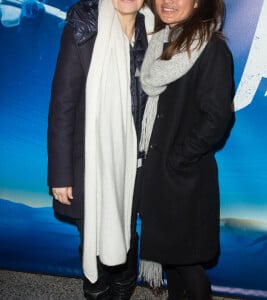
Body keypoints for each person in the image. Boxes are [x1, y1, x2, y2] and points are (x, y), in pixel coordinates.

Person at [47, 0, 153, 299]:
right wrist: (60, 174)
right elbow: (62, 106)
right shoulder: (84, 30)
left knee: (128, 235)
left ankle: (122, 291)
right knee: (92, 238)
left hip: (137, 165)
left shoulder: (156, 33)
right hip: (89, 164)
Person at [137, 0, 234, 298]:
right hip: (160, 174)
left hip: (185, 178)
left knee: (188, 266)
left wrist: (177, 159)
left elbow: (217, 118)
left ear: (197, 2)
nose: (168, 2)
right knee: (175, 262)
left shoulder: (211, 48)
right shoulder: (162, 43)